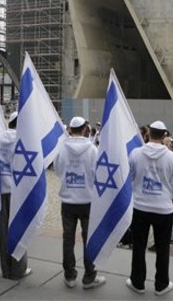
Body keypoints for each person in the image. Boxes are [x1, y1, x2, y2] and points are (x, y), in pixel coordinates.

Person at [126, 121, 173, 296]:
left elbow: (129, 176)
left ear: (149, 133)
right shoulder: (172, 157)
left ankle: (137, 282)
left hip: (140, 206)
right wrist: (171, 197)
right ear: (164, 135)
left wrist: (137, 191)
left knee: (139, 246)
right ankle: (161, 284)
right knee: (163, 247)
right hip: (163, 209)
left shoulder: (135, 153)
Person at [53, 116, 106, 289]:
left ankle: (69, 276)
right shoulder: (92, 149)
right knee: (88, 239)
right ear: (85, 129)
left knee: (68, 239)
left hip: (68, 200)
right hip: (87, 200)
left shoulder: (63, 148)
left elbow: (58, 170)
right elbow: (98, 174)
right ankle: (89, 277)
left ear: (70, 130)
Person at [0, 111, 31, 280]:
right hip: (18, 191)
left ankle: (6, 269)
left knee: (3, 232)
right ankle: (18, 269)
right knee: (19, 230)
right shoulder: (22, 141)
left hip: (0, 189)